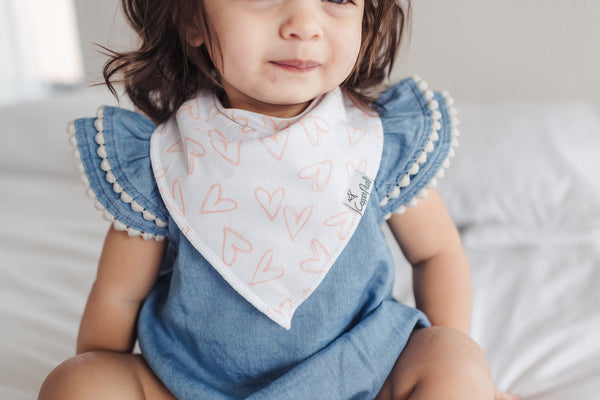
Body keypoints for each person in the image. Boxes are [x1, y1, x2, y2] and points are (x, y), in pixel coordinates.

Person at [39, 0, 516, 399]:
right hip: (192, 385)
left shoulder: (373, 143)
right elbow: (118, 294)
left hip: (365, 373)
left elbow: (436, 253)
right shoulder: (164, 160)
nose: (304, 25)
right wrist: (97, 371)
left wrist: (455, 354)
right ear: (190, 19)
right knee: (77, 382)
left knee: (454, 359)